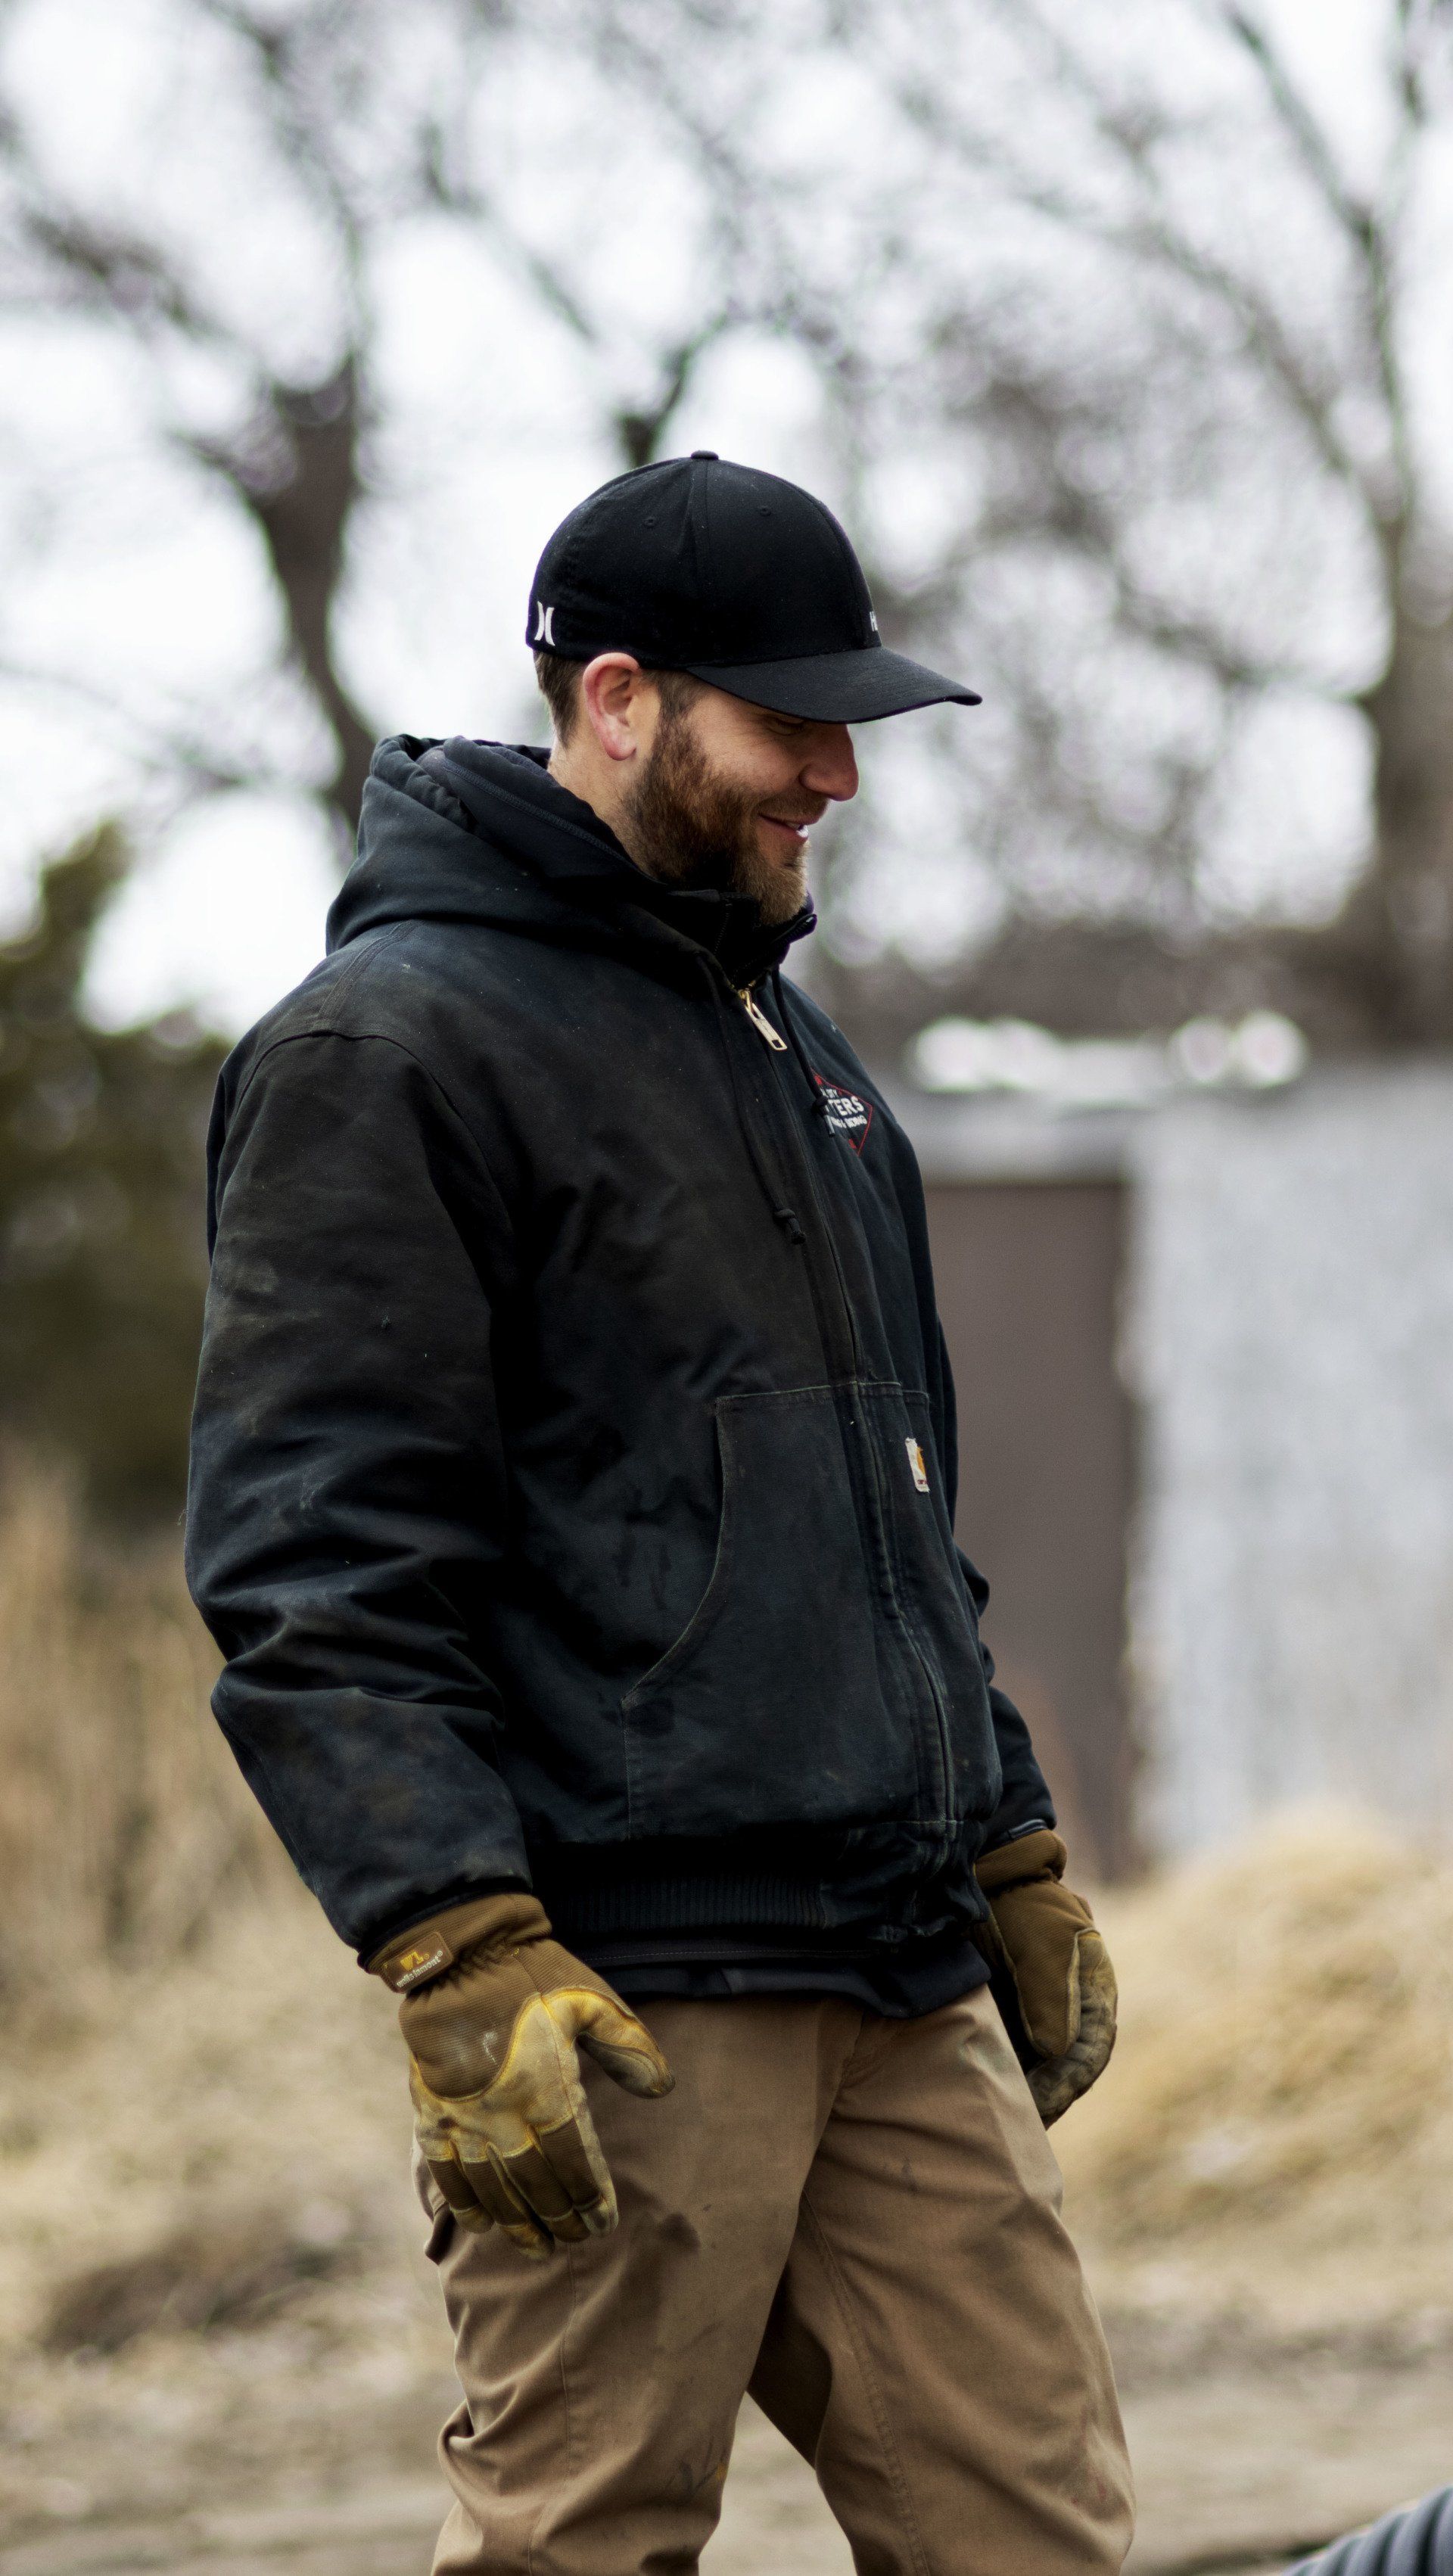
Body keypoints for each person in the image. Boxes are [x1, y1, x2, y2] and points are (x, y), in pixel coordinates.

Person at [187, 451, 1134, 2574]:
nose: (836, 776)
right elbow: (314, 1551)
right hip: (625, 1982)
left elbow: (890, 1506)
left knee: (1041, 2536)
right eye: (792, 723)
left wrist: (1005, 1833)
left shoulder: (800, 1061)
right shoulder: (389, 1049)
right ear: (620, 697)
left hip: (899, 1959)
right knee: (582, 2545)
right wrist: (452, 1933)